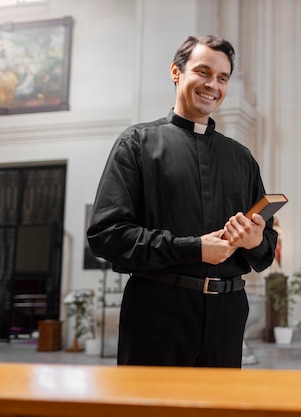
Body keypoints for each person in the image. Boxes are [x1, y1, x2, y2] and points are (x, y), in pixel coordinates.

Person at [87, 35, 277, 368]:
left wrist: (256, 238)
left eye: (222, 78)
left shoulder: (241, 158)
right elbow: (106, 235)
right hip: (158, 312)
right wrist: (194, 249)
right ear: (176, 72)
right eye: (203, 72)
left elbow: (266, 249)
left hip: (227, 314)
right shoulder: (137, 143)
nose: (212, 85)